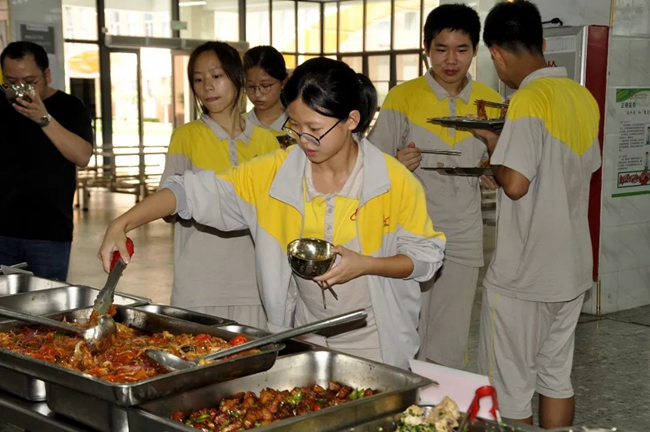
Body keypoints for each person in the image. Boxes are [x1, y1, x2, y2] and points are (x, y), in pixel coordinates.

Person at [99, 57, 446, 369]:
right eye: (295, 127)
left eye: (315, 129)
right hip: (304, 332)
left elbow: (425, 258)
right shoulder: (274, 175)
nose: (304, 140)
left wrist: (365, 264)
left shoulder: (392, 181)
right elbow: (188, 191)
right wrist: (123, 222)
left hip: (375, 337)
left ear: (351, 121)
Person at [473, 1, 601, 428]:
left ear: (496, 53)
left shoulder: (527, 100)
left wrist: (494, 147)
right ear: (542, 44)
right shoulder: (581, 97)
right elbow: (576, 170)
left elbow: (516, 184)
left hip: (523, 279)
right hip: (571, 269)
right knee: (555, 378)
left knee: (508, 392)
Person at [368, 3, 501, 369]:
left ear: (476, 50)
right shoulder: (402, 97)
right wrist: (397, 164)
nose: (451, 60)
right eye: (441, 49)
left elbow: (499, 170)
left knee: (451, 335)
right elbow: (371, 166)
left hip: (464, 233)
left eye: (461, 50)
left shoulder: (490, 103)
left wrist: (491, 169)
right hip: (411, 232)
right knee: (406, 327)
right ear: (426, 48)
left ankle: (441, 415)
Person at [159, 41, 279, 327]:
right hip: (199, 285)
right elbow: (167, 207)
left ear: (237, 78)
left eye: (216, 76)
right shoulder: (185, 136)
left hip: (255, 286)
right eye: (198, 80)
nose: (207, 87)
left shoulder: (266, 141)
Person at [0, 41, 93, 281]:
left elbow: (82, 156)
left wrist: (43, 118)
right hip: (2, 229)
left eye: (30, 82)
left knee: (46, 306)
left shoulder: (70, 107)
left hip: (49, 231)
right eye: (11, 83)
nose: (20, 90)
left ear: (47, 75)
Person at [243, 46, 290, 148]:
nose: (257, 94)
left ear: (283, 82)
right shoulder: (239, 126)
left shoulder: (298, 125)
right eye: (251, 86)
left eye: (265, 86)